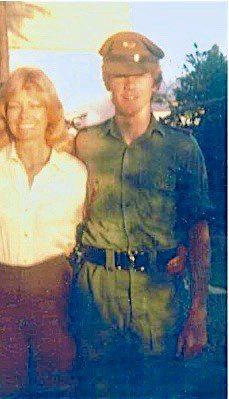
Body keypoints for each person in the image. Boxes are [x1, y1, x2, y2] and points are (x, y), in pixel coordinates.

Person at [73, 31, 211, 397]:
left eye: (138, 77)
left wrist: (198, 312)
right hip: (98, 298)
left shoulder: (182, 149)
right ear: (108, 83)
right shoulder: (83, 144)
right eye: (119, 77)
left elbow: (198, 233)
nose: (129, 86)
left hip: (159, 299)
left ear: (154, 82)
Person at [0, 67, 87, 397]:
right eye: (15, 105)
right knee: (3, 384)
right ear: (4, 112)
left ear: (50, 112)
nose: (25, 115)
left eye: (35, 105)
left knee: (57, 382)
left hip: (55, 289)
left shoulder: (74, 173)